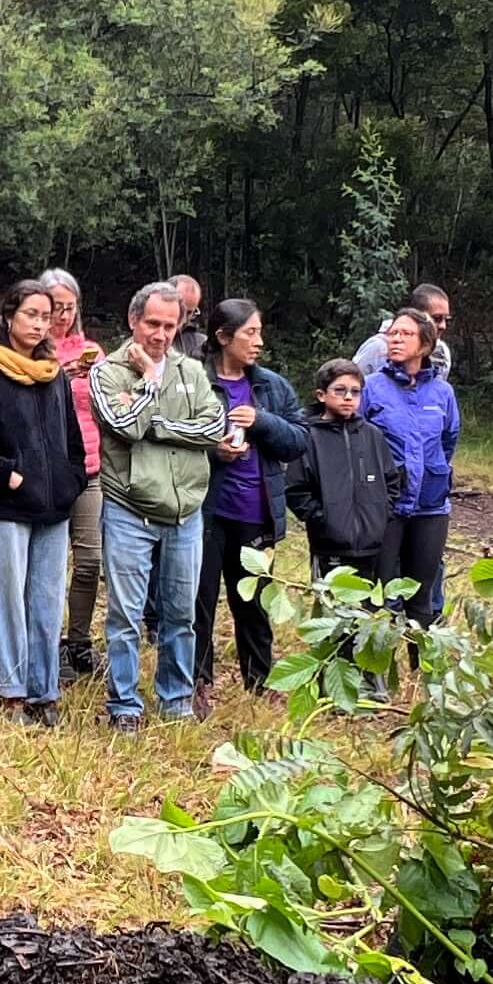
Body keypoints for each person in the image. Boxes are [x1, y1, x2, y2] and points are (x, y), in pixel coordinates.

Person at [91, 281, 227, 728]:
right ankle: (125, 706)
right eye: (152, 323)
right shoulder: (107, 372)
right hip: (129, 508)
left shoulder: (192, 371)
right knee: (125, 615)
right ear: (133, 320)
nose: (161, 334)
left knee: (181, 614)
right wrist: (149, 380)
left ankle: (176, 702)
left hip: (185, 511)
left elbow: (214, 429)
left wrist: (159, 425)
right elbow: (125, 426)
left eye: (170, 326)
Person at [0, 279, 81, 724]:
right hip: (4, 506)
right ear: (9, 315)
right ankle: (8, 691)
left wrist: (71, 480)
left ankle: (44, 692)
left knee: (47, 603)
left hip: (53, 507)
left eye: (46, 316)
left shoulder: (54, 373)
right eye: (30, 314)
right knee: (4, 600)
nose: (39, 324)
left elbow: (71, 438)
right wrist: (8, 474)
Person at [196, 298, 309, 698]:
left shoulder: (271, 386)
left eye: (260, 332)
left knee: (254, 601)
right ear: (223, 337)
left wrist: (262, 421)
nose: (259, 342)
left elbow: (299, 440)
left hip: (256, 511)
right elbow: (175, 438)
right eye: (251, 333)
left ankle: (260, 682)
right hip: (206, 511)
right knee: (200, 600)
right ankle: (199, 682)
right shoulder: (195, 380)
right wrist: (216, 451)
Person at [361, 309, 465, 624]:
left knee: (422, 597)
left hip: (430, 506)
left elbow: (448, 440)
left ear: (426, 344)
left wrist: (434, 474)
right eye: (393, 333)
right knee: (379, 595)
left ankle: (421, 657)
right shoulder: (370, 387)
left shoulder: (443, 392)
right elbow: (359, 441)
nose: (395, 339)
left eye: (405, 334)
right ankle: (377, 657)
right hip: (385, 505)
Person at [41, 270, 109, 681]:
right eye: (55, 307)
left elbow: (108, 403)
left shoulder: (91, 351)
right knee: (47, 564)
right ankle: (46, 642)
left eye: (69, 307)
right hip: (46, 469)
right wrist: (56, 378)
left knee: (89, 560)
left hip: (88, 467)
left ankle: (78, 641)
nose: (62, 316)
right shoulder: (27, 349)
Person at [285, 357, 401, 587]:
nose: (348, 397)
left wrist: (380, 515)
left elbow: (391, 481)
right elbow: (296, 488)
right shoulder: (309, 436)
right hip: (329, 546)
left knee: (368, 603)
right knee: (332, 604)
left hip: (371, 545)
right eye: (340, 390)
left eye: (355, 392)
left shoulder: (372, 435)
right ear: (321, 395)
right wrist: (323, 519)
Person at [353, 284, 453, 372]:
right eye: (437, 318)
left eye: (446, 320)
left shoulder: (441, 352)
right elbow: (354, 383)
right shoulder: (378, 347)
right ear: (416, 314)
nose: (443, 326)